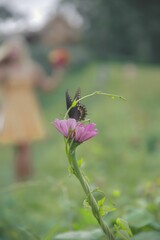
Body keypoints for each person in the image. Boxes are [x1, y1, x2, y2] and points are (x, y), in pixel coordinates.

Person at [0, 36, 66, 181]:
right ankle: (23, 180)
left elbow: (48, 87)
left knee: (25, 146)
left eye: (17, 49)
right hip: (12, 109)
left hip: (28, 109)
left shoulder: (32, 68)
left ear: (23, 50)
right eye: (12, 49)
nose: (15, 52)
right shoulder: (4, 69)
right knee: (20, 147)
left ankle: (24, 180)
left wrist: (58, 71)